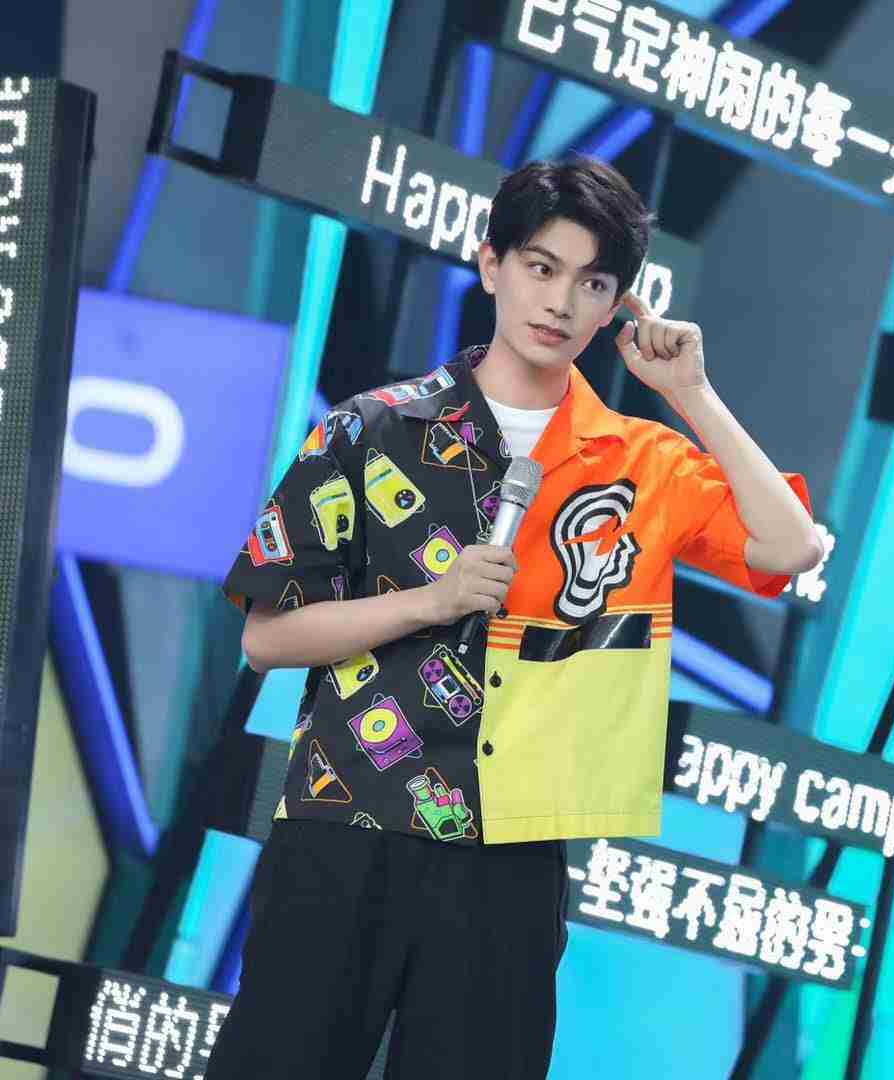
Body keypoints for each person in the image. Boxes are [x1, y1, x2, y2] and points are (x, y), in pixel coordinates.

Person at [205, 153, 822, 1078]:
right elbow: (266, 636)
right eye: (542, 267)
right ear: (491, 264)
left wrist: (689, 393)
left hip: (512, 853)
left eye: (594, 283)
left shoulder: (639, 460)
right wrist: (430, 601)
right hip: (347, 822)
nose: (561, 303)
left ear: (617, 306)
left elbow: (790, 546)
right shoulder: (371, 428)